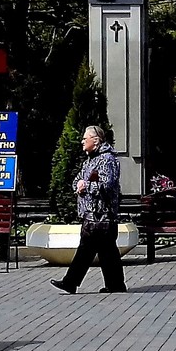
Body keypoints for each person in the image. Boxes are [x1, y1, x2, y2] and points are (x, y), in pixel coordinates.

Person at [51, 125, 127, 294]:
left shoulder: (106, 159)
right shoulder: (90, 160)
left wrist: (86, 187)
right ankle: (115, 285)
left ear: (96, 140)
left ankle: (71, 282)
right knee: (106, 252)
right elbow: (79, 179)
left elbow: (107, 185)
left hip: (102, 215)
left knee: (90, 250)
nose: (82, 142)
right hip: (92, 216)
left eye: (85, 139)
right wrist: (78, 185)